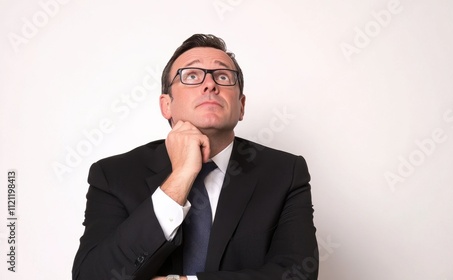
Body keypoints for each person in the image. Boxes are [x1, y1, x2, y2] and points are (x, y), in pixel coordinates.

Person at [72, 34, 318, 280]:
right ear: (166, 105)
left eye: (222, 76)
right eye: (191, 76)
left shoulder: (285, 172)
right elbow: (92, 276)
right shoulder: (113, 175)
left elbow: (297, 274)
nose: (210, 84)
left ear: (241, 106)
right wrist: (181, 175)